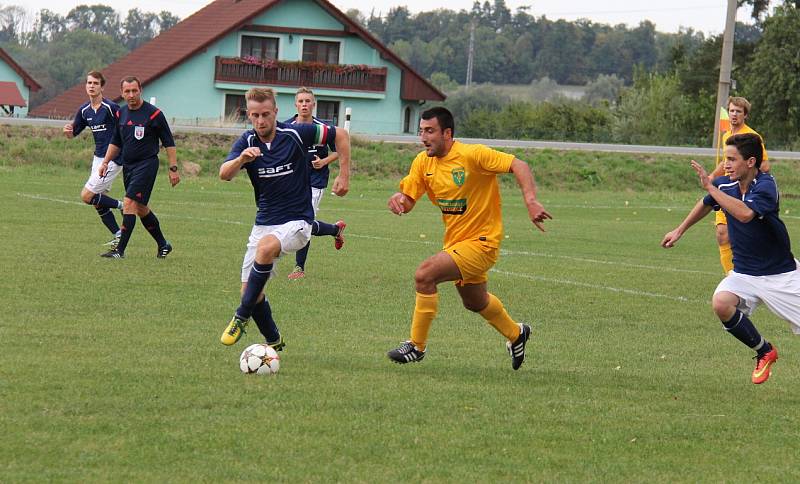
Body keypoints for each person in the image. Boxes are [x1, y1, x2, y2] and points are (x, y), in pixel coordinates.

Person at [385, 106, 552, 370]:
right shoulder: (422, 162)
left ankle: (416, 347)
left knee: (424, 274)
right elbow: (408, 199)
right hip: (456, 243)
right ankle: (516, 333)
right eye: (421, 131)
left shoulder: (473, 155)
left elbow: (519, 165)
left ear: (447, 133)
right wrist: (400, 201)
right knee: (475, 301)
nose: (423, 137)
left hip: (483, 243)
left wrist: (531, 201)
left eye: (430, 131)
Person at [661, 133, 800, 384]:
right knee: (721, 303)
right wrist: (679, 230)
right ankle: (764, 351)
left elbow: (746, 214)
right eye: (726, 159)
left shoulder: (766, 185)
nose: (726, 164)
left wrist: (712, 188)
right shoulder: (725, 185)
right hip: (744, 274)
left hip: (781, 276)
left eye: (732, 159)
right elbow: (706, 202)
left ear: (750, 162)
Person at [219, 87, 351, 349]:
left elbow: (342, 135)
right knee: (251, 292)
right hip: (264, 221)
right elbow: (224, 173)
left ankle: (240, 316)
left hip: (298, 221)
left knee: (265, 249)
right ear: (249, 115)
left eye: (265, 114)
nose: (260, 121)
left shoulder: (295, 133)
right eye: (255, 115)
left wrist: (344, 174)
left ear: (276, 112)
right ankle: (273, 340)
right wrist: (241, 160)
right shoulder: (246, 142)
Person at [98, 76, 180, 258]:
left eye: (134, 90)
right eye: (127, 91)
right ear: (122, 93)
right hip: (128, 166)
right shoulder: (121, 113)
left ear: (140, 90)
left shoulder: (154, 114)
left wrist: (173, 169)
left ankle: (119, 251)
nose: (131, 95)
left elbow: (169, 143)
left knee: (128, 203)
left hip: (147, 165)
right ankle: (163, 244)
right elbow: (116, 141)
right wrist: (105, 162)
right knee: (140, 208)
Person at [284, 87, 346, 280]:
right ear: (296, 104)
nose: (304, 104)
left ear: (313, 104)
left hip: (315, 181)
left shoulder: (323, 128)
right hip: (293, 181)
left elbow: (339, 150)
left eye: (307, 101)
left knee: (303, 224)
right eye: (301, 101)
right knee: (299, 223)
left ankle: (298, 268)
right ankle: (335, 229)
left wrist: (324, 162)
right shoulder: (286, 126)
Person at [63, 71, 124, 249]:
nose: (91, 86)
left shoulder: (111, 107)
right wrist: (68, 132)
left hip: (113, 158)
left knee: (87, 195)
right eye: (89, 83)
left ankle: (122, 206)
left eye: (95, 83)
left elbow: (124, 128)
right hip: (98, 158)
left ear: (102, 87)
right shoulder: (84, 110)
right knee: (97, 200)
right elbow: (73, 132)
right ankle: (118, 235)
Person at [709, 97, 769, 274]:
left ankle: (756, 272)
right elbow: (727, 162)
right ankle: (731, 277)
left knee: (746, 235)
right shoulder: (727, 135)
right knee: (722, 234)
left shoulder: (752, 137)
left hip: (745, 191)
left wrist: (748, 180)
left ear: (745, 115)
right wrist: (713, 176)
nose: (734, 114)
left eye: (738, 111)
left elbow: (764, 165)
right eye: (731, 111)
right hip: (727, 190)